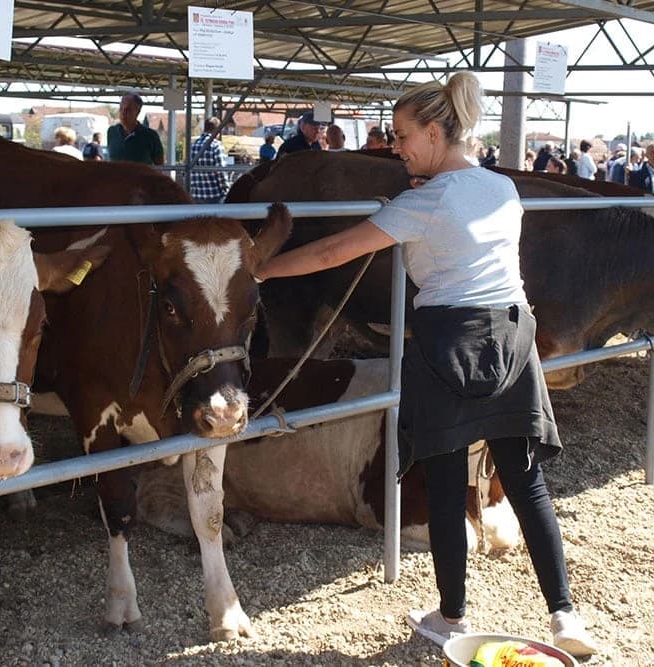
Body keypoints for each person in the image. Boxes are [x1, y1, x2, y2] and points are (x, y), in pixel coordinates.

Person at [253, 71, 599, 659]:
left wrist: (257, 269)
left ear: (436, 132)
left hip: (448, 339)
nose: (395, 146)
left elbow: (332, 251)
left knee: (444, 483)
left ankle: (452, 615)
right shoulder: (501, 189)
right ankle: (565, 618)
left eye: (402, 134)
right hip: (514, 334)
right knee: (525, 480)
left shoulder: (423, 202)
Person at [107, 92, 164, 165]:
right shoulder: (112, 132)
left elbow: (160, 165)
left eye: (128, 109)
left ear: (137, 112)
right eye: (121, 108)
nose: (123, 113)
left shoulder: (150, 136)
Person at [189, 117, 230, 204]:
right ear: (218, 130)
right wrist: (226, 189)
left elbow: (186, 171)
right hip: (214, 195)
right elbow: (221, 172)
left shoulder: (193, 145)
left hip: (196, 195)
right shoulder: (216, 146)